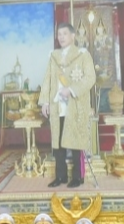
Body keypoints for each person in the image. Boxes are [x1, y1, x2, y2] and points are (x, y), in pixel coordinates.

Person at [40, 21, 97, 189]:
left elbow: (90, 78)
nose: (61, 37)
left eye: (65, 34)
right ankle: (61, 176)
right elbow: (47, 80)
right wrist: (44, 102)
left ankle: (78, 177)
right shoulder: (53, 56)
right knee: (58, 144)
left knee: (76, 142)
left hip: (75, 106)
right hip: (58, 106)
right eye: (59, 34)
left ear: (73, 36)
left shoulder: (82, 54)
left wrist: (71, 89)